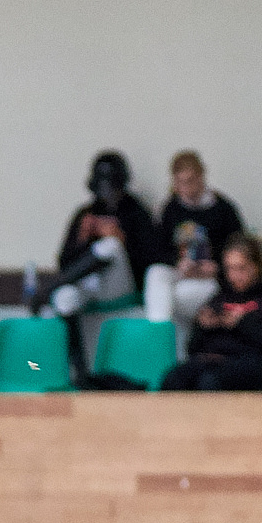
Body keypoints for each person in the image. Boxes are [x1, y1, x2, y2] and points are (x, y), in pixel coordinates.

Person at [43, 150, 168, 386]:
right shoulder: (85, 214)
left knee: (110, 246)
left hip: (121, 284)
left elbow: (152, 258)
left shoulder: (136, 212)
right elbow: (65, 261)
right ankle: (80, 373)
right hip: (88, 283)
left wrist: (122, 238)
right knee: (64, 298)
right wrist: (82, 239)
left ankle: (49, 288)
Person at [158, 233, 262, 392]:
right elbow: (192, 349)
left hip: (258, 363)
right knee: (174, 379)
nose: (234, 276)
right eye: (229, 269)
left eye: (241, 268)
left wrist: (243, 323)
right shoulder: (221, 296)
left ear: (257, 266)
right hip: (215, 360)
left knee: (210, 382)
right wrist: (203, 326)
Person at [148, 149, 246, 325]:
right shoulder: (171, 209)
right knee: (155, 274)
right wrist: (178, 262)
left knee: (179, 295)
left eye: (190, 181)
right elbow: (157, 249)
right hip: (182, 270)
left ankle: (165, 329)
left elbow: (238, 248)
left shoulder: (223, 209)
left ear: (201, 177)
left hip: (210, 276)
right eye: (180, 182)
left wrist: (217, 266)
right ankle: (159, 330)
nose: (186, 188)